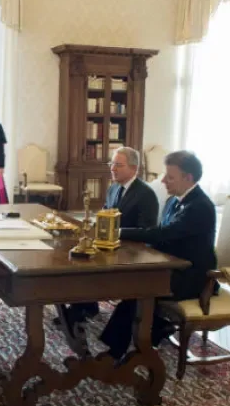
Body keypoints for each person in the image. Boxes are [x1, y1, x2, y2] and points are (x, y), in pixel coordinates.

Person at [99, 150, 218, 360]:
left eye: (170, 177)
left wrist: (117, 231)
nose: (163, 181)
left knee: (137, 291)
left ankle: (118, 352)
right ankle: (155, 330)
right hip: (172, 267)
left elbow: (162, 234)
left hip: (192, 277)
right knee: (131, 283)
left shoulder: (200, 207)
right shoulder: (175, 201)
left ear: (188, 178)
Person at [57, 147, 159, 348]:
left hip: (131, 251)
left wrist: (117, 232)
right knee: (78, 257)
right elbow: (104, 214)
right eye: (111, 164)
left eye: (118, 165)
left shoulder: (145, 194)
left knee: (90, 262)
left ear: (134, 168)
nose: (112, 168)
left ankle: (84, 308)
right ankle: (83, 306)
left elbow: (148, 231)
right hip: (109, 244)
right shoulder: (113, 188)